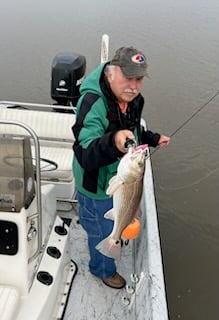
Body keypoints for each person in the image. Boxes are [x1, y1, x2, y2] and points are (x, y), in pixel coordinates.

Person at [72, 46, 170, 289]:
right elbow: (85, 153)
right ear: (111, 73)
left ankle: (113, 233)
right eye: (128, 77)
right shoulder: (93, 102)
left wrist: (152, 138)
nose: (133, 86)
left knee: (120, 217)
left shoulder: (133, 100)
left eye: (139, 79)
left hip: (120, 179)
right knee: (101, 230)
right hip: (97, 186)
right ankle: (103, 270)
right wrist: (113, 142)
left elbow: (134, 131)